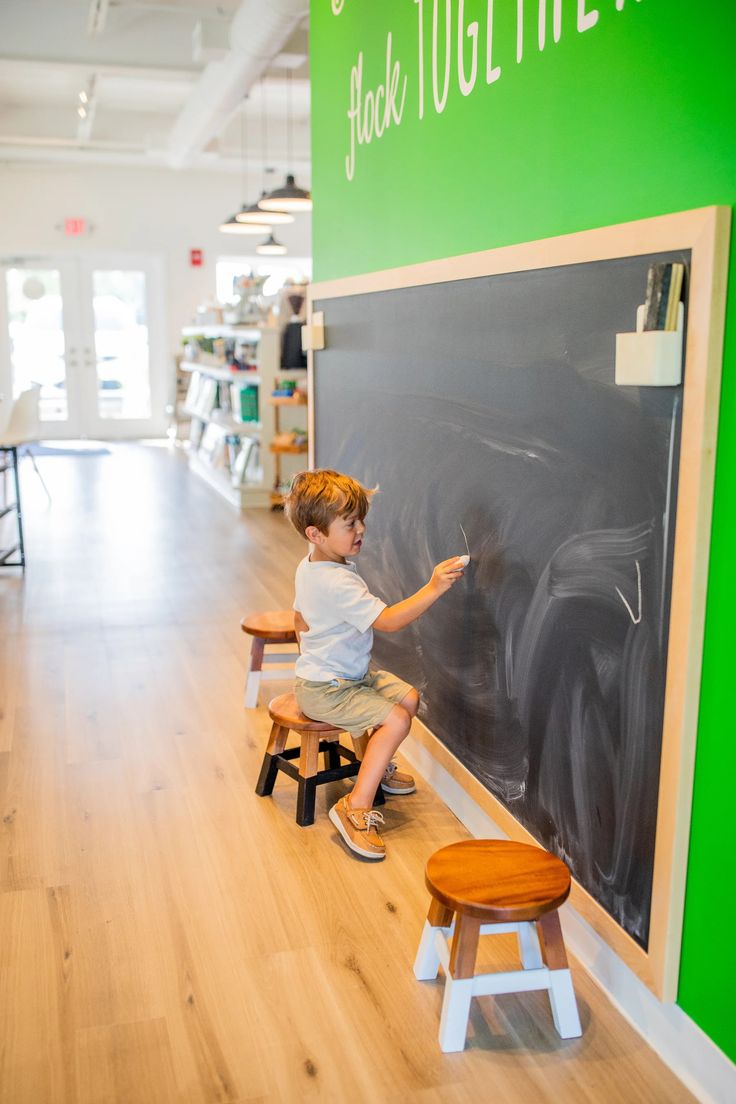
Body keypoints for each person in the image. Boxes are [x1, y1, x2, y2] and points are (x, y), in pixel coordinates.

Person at [284, 469, 465, 861]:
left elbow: (299, 618)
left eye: (360, 519)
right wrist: (433, 587)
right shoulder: (338, 581)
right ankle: (354, 809)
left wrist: (314, 652)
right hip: (327, 689)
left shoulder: (311, 564)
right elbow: (389, 622)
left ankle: (373, 765)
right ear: (316, 534)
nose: (361, 528)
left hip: (342, 678)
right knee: (396, 720)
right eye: (350, 523)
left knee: (409, 699)